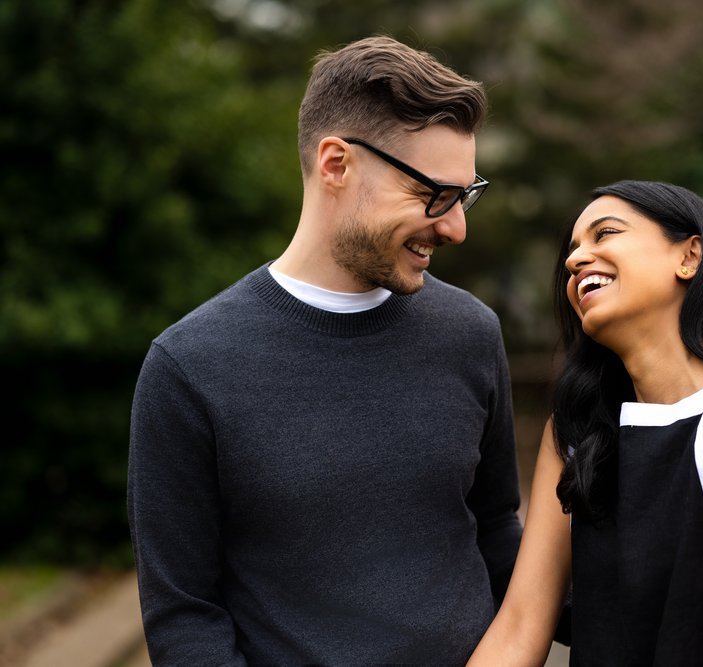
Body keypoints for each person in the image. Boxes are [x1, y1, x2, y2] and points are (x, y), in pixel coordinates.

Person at [127, 35, 523, 665]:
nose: (456, 227)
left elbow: (498, 529)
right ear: (337, 164)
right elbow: (184, 616)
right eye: (435, 194)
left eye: (465, 194)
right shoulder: (190, 367)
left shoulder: (470, 332)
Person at [468, 180, 703, 666]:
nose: (575, 260)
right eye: (573, 249)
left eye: (605, 233)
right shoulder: (574, 432)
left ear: (690, 256)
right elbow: (521, 627)